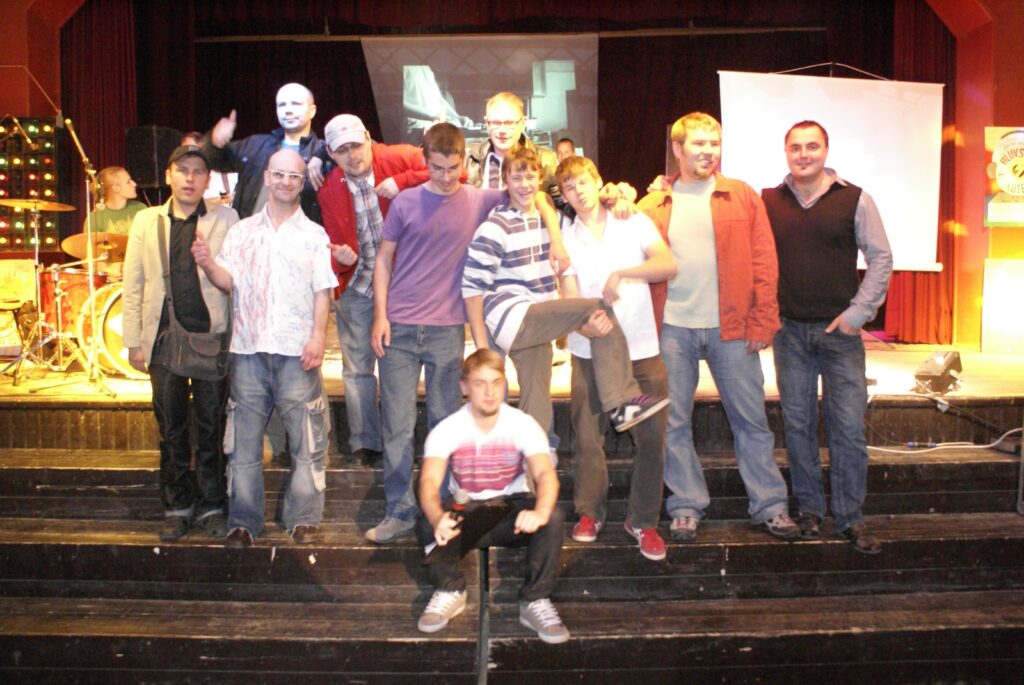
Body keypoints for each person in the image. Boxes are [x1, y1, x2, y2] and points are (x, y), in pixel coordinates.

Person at [638, 112, 799, 543]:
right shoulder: (652, 205)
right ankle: (685, 506)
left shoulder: (741, 196)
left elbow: (764, 261)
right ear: (678, 149)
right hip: (672, 329)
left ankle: (771, 506)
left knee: (751, 421)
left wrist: (763, 321)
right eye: (699, 143)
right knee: (673, 424)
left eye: (714, 143)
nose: (708, 151)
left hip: (733, 328)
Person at [463, 145, 669, 461]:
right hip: (512, 317)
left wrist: (616, 196)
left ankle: (536, 461)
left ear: (540, 180)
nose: (524, 185)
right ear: (505, 181)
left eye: (530, 177)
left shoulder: (556, 222)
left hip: (540, 321)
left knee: (537, 398)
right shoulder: (495, 226)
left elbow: (552, 204)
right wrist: (482, 349)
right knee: (597, 306)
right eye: (516, 178)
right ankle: (623, 401)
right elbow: (471, 287)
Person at [366, 123, 515, 544]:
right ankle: (399, 509)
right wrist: (380, 316)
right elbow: (383, 260)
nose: (446, 177)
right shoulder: (406, 202)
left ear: (463, 161)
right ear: (425, 160)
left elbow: (529, 191)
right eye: (437, 168)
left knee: (446, 422)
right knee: (396, 425)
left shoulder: (478, 199)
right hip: (398, 327)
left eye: (452, 168)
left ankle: (445, 507)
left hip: (447, 329)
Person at [191, 149, 338, 549]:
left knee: (307, 443)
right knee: (242, 445)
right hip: (248, 351)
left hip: (296, 352)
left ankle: (303, 519)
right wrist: (208, 263)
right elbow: (228, 281)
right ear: (268, 178)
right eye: (280, 175)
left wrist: (318, 338)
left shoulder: (314, 235)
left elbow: (322, 291)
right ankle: (243, 522)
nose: (286, 182)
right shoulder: (242, 231)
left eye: (294, 176)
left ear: (301, 183)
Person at [762, 120, 893, 554]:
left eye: (812, 146)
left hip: (840, 336)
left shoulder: (855, 199)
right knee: (798, 426)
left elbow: (881, 257)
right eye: (796, 147)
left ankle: (850, 517)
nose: (804, 154)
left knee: (848, 429)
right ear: (786, 152)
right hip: (789, 334)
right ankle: (810, 511)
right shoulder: (768, 201)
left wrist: (858, 313)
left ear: (826, 150)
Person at [555, 155, 677, 561]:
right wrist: (583, 323)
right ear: (564, 196)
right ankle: (590, 513)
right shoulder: (565, 237)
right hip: (590, 351)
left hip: (641, 350)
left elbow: (667, 263)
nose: (578, 191)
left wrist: (623, 273)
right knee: (588, 437)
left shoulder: (632, 220)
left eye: (583, 182)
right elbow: (568, 294)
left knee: (651, 439)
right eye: (569, 187)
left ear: (598, 181)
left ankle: (643, 521)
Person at [122, 145, 237, 541]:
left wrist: (208, 261)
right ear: (168, 175)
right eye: (182, 170)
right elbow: (133, 283)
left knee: (210, 427)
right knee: (171, 428)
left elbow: (236, 278)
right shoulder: (146, 220)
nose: (190, 178)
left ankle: (211, 505)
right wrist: (134, 341)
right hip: (162, 340)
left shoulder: (227, 219)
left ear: (208, 180)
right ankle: (176, 506)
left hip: (210, 339)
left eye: (198, 171)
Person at [415, 349, 569, 644]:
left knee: (553, 516)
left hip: (510, 512)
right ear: (464, 387)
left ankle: (535, 600)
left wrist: (540, 511)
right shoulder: (448, 429)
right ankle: (450, 589)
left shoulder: (522, 423)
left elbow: (545, 474)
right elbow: (429, 481)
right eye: (480, 383)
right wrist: (437, 518)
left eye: (496, 382)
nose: (489, 392)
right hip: (468, 513)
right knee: (426, 523)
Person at [317, 113, 430, 467]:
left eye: (356, 145)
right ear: (331, 154)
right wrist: (339, 259)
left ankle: (401, 440)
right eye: (342, 150)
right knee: (356, 368)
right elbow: (329, 243)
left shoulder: (398, 157)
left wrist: (403, 181)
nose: (353, 155)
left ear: (369, 138)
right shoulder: (328, 186)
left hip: (403, 282)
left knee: (398, 364)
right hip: (358, 282)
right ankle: (365, 442)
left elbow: (451, 171)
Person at [204, 82, 325, 223]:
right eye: (282, 105)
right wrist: (214, 144)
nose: (288, 110)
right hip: (250, 232)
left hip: (300, 234)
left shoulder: (322, 152)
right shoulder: (255, 145)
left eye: (296, 104)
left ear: (312, 111)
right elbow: (213, 162)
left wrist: (323, 155)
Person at [465, 92, 564, 210]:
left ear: (523, 123)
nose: (502, 130)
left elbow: (562, 205)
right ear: (487, 123)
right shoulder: (468, 159)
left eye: (509, 123)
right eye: (496, 123)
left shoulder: (546, 160)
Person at [85, 166, 145, 235]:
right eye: (128, 182)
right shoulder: (95, 218)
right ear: (116, 188)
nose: (134, 184)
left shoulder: (141, 208)